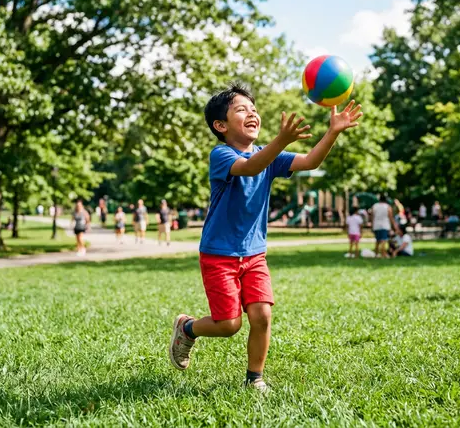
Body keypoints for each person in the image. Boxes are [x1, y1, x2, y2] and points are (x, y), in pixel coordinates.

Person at [168, 82, 362, 391]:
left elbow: (310, 161)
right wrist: (282, 140)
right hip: (219, 254)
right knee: (229, 325)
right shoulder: (221, 154)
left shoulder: (269, 155)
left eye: (254, 109)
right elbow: (249, 167)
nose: (252, 113)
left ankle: (254, 379)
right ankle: (188, 328)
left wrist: (333, 132)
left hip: (254, 254)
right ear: (220, 125)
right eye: (241, 109)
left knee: (262, 316)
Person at [370, 194, 397, 259]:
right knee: (383, 240)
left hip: (376, 225)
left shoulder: (374, 206)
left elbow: (372, 217)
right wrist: (394, 226)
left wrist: (372, 225)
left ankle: (376, 254)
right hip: (385, 225)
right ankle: (383, 254)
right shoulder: (387, 206)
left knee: (377, 240)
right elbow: (391, 217)